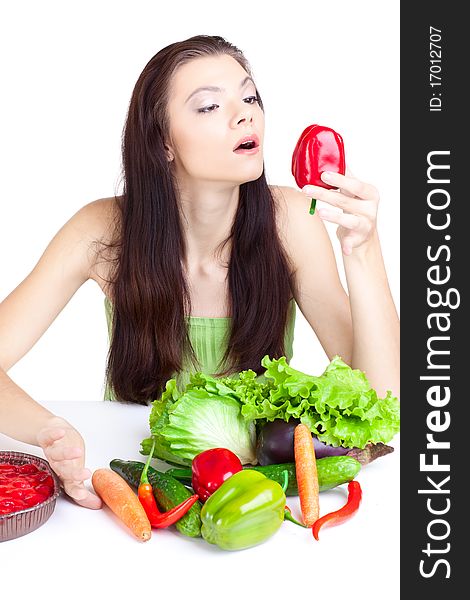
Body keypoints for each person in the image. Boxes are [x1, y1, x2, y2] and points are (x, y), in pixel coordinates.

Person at [0, 35, 399, 509]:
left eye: (249, 97)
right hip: (132, 481)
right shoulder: (101, 230)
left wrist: (364, 250)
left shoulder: (292, 221)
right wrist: (51, 430)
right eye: (210, 106)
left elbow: (382, 409)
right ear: (163, 142)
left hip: (259, 492)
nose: (245, 113)